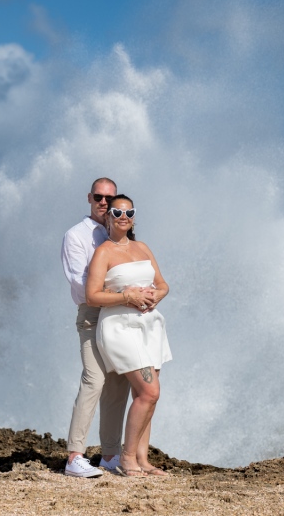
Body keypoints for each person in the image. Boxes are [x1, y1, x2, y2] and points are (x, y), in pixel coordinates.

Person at [85, 194, 172, 477]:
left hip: (150, 326)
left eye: (128, 212)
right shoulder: (104, 252)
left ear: (134, 217)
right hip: (120, 327)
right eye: (117, 212)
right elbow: (92, 295)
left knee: (145, 394)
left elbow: (162, 284)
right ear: (107, 217)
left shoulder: (142, 247)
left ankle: (142, 460)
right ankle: (126, 458)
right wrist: (128, 296)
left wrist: (154, 296)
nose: (123, 217)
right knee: (150, 390)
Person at [61, 177, 138, 478]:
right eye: (99, 197)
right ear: (89, 198)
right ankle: (74, 456)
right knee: (94, 379)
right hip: (93, 313)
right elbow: (80, 284)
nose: (104, 202)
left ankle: (109, 455)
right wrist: (119, 293)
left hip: (120, 314)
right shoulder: (75, 236)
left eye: (110, 197)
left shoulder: (118, 231)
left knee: (118, 383)